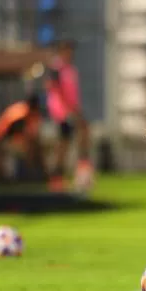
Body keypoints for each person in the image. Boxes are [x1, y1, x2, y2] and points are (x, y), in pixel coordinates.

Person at [44, 40, 90, 192]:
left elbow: (72, 93)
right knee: (62, 147)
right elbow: (56, 90)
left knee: (74, 141)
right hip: (61, 113)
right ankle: (57, 180)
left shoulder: (70, 69)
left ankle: (79, 172)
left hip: (71, 110)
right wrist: (70, 110)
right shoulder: (56, 68)